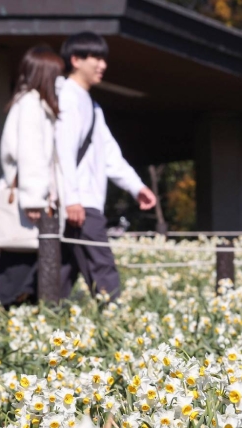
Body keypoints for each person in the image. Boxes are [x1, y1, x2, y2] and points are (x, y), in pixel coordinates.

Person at [56, 31, 157, 300]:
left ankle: (45, 319)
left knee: (63, 271)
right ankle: (114, 321)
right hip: (80, 203)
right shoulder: (67, 97)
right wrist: (72, 198)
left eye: (104, 58)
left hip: (81, 202)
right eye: (96, 58)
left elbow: (109, 154)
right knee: (102, 266)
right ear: (76, 59)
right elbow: (63, 152)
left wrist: (136, 187)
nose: (103, 65)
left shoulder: (91, 104)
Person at [0, 45, 65, 307]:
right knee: (20, 264)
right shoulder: (32, 105)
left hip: (30, 195)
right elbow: (30, 153)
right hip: (31, 199)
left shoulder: (28, 102)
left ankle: (4, 312)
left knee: (20, 262)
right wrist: (34, 199)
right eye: (57, 75)